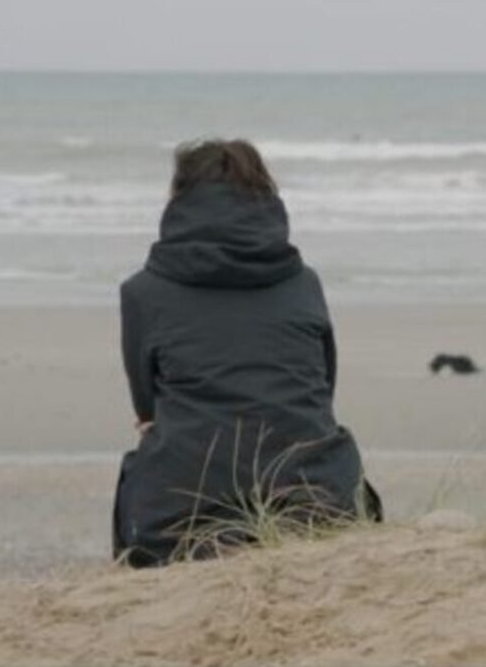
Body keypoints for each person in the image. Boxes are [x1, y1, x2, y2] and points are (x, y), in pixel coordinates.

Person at [113, 139, 382, 566]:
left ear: (179, 200)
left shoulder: (142, 292)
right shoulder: (304, 284)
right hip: (317, 497)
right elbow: (321, 391)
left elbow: (147, 411)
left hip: (181, 511)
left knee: (145, 467)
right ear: (264, 198)